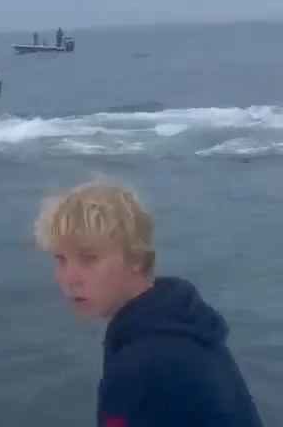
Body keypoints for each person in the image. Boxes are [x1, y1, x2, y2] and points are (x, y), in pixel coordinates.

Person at [34, 182, 264, 426]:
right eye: (61, 259)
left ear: (136, 258)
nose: (69, 278)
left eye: (89, 259)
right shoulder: (187, 324)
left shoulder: (141, 368)